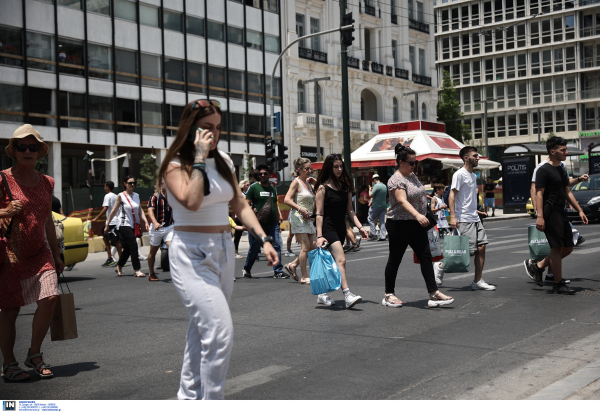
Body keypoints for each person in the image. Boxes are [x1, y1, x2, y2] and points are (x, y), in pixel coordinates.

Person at [158, 99, 278, 400]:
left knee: (202, 329)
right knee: (218, 330)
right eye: (207, 128)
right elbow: (192, 200)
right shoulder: (174, 163)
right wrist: (199, 157)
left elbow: (238, 203)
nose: (214, 134)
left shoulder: (223, 159)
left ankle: (188, 397)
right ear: (191, 128)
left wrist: (263, 238)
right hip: (190, 252)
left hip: (223, 249)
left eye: (218, 127)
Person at [0, 124, 64, 381]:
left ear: (39, 152)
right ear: (14, 150)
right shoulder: (2, 179)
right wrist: (5, 212)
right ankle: (9, 363)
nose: (27, 150)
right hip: (11, 254)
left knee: (50, 298)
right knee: (10, 311)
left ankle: (34, 354)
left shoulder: (47, 182)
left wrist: (57, 254)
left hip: (40, 252)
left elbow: (47, 219)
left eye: (33, 146)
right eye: (22, 146)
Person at [382, 145, 454, 308]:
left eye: (416, 162)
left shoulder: (412, 175)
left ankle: (433, 292)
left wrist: (423, 198)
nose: (414, 165)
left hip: (416, 224)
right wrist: (418, 214)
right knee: (395, 259)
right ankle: (388, 294)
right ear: (401, 162)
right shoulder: (396, 180)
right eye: (411, 162)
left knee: (425, 256)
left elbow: (415, 192)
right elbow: (401, 200)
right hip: (399, 224)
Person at [524, 137, 588, 294]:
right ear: (553, 151)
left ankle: (537, 266)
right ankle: (558, 284)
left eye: (566, 149)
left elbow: (566, 190)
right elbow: (538, 193)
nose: (566, 152)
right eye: (563, 150)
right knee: (557, 247)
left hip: (561, 211)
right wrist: (539, 216)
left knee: (568, 247)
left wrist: (579, 210)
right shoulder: (543, 169)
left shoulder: (561, 168)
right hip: (549, 212)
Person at [434, 146, 496, 291]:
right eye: (475, 155)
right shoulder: (459, 174)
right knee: (465, 250)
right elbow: (452, 195)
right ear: (466, 158)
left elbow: (468, 198)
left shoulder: (473, 176)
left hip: (474, 217)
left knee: (482, 247)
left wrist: (478, 212)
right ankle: (441, 266)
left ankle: (477, 281)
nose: (478, 158)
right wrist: (453, 217)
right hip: (463, 218)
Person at [314, 154, 367, 309]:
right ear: (329, 168)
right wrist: (319, 235)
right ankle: (347, 295)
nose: (339, 169)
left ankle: (322, 294)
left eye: (340, 166)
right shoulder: (322, 188)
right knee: (341, 260)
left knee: (331, 262)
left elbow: (350, 211)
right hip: (327, 228)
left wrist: (360, 227)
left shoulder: (345, 187)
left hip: (340, 228)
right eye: (335, 166)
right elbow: (319, 213)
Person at [243, 164, 286, 279]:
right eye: (260, 173)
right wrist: (247, 221)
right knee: (255, 248)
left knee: (276, 245)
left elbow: (275, 205)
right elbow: (246, 205)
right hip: (257, 224)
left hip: (272, 223)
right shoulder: (253, 188)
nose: (262, 175)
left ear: (269, 175)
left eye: (265, 173)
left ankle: (278, 271)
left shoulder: (272, 188)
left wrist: (278, 219)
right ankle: (247, 268)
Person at [104, 175, 150, 277]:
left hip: (134, 224)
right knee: (133, 243)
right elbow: (113, 211)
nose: (132, 184)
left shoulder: (136, 195)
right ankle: (137, 270)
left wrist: (146, 221)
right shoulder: (121, 196)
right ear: (125, 184)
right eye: (130, 183)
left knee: (129, 247)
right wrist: (107, 225)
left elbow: (140, 210)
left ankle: (119, 266)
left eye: (134, 183)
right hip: (123, 224)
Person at [283, 157, 317, 283]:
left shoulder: (309, 183)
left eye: (310, 168)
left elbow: (321, 192)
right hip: (298, 217)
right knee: (305, 247)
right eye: (307, 169)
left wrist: (316, 182)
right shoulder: (295, 182)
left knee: (313, 246)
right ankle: (304, 276)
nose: (309, 171)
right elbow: (287, 200)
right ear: (299, 170)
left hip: (309, 219)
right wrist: (301, 209)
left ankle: (293, 265)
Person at [146, 182, 174, 282]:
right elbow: (150, 211)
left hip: (170, 227)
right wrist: (155, 222)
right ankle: (151, 273)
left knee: (172, 247)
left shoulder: (173, 196)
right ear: (161, 184)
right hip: (156, 228)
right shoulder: (155, 197)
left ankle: (178, 273)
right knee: (153, 252)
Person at [91, 181, 122, 267]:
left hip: (111, 221)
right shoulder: (116, 196)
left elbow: (105, 208)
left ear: (108, 187)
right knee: (106, 237)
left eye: (105, 186)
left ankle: (119, 259)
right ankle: (111, 257)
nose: (104, 188)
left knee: (115, 240)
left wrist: (97, 218)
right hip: (115, 221)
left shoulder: (107, 196)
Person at [233, 180, 250, 259]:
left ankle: (256, 251)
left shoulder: (248, 194)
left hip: (247, 216)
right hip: (240, 217)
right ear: (243, 186)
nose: (248, 186)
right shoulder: (240, 195)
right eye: (247, 185)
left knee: (252, 233)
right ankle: (235, 252)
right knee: (238, 235)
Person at [368, 174, 387, 241]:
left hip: (376, 206)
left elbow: (370, 195)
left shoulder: (376, 186)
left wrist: (370, 190)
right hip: (383, 206)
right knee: (382, 222)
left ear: (375, 179)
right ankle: (383, 236)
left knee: (370, 219)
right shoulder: (384, 186)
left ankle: (374, 234)